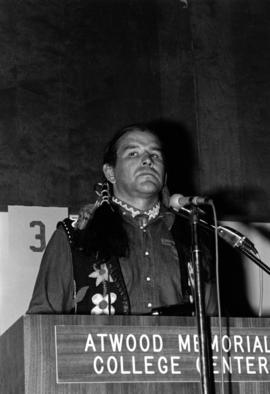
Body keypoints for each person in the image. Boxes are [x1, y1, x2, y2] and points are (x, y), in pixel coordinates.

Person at [27, 124, 217, 315]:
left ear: (165, 175)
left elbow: (215, 324)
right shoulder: (75, 235)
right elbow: (41, 323)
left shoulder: (192, 234)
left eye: (156, 155)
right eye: (133, 153)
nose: (148, 160)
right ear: (110, 173)